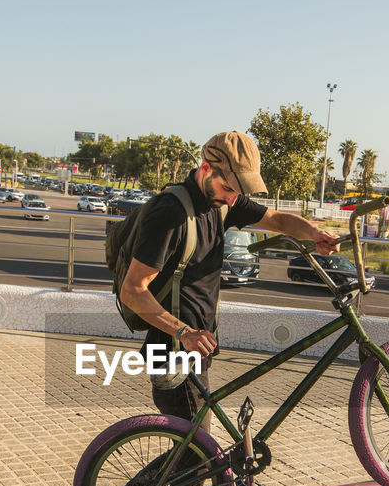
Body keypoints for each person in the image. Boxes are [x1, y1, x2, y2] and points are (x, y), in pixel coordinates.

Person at [119, 131, 339, 429]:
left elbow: (275, 219)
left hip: (197, 344)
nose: (234, 197)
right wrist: (184, 332)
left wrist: (313, 232)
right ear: (206, 169)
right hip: (174, 349)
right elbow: (132, 291)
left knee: (191, 456)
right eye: (228, 188)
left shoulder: (224, 202)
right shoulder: (170, 214)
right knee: (197, 457)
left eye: (238, 191)